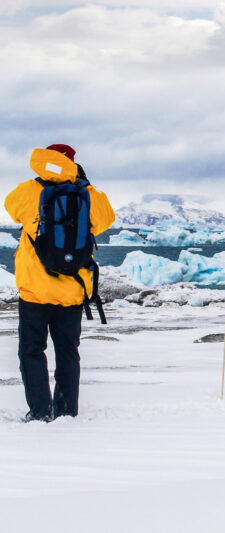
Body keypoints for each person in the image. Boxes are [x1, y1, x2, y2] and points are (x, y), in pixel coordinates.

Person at [5, 145, 115, 421]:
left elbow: (11, 208)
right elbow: (106, 220)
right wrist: (84, 185)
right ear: (72, 162)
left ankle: (41, 412)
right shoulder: (88, 194)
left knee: (32, 350)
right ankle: (67, 411)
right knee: (68, 352)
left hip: (35, 290)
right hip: (72, 290)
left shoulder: (28, 190)